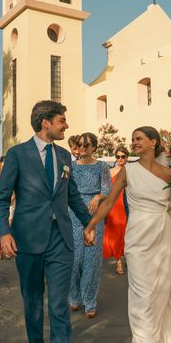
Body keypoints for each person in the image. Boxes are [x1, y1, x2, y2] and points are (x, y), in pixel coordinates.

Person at [84, 126, 171, 343]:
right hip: (137, 240)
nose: (133, 142)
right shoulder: (128, 171)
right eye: (132, 138)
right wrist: (90, 225)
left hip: (163, 237)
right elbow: (110, 202)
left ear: (153, 143)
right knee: (143, 298)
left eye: (139, 139)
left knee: (161, 296)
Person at [0, 100, 91, 343]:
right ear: (46, 123)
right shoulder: (17, 155)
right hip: (27, 239)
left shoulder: (63, 156)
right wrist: (4, 233)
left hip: (60, 239)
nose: (66, 125)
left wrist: (89, 224)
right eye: (62, 120)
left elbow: (72, 196)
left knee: (59, 306)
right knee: (33, 301)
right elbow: (1, 199)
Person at [68, 132, 112, 318]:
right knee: (75, 257)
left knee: (91, 259)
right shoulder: (70, 167)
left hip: (95, 214)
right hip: (73, 213)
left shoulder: (102, 166)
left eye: (86, 145)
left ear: (94, 147)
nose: (82, 148)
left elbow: (107, 188)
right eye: (79, 145)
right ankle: (73, 296)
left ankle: (90, 301)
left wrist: (97, 197)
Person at [103, 146, 129, 275]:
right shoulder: (110, 171)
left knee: (125, 232)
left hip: (126, 205)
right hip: (113, 206)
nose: (120, 159)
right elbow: (105, 190)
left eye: (122, 156)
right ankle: (118, 260)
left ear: (127, 158)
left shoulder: (130, 171)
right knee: (114, 232)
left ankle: (124, 258)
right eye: (118, 156)